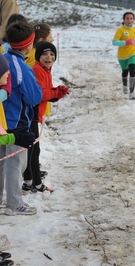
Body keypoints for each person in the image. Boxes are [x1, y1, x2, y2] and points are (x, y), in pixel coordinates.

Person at [1, 21, 42, 215]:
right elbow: (34, 97)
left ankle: (3, 200)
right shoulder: (23, 68)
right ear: (29, 45)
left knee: (1, 162)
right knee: (16, 164)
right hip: (17, 123)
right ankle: (14, 204)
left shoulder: (2, 59)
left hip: (1, 122)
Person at [21, 41, 68, 194]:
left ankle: (27, 182)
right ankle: (36, 184)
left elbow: (46, 92)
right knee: (34, 150)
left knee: (31, 149)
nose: (49, 57)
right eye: (45, 54)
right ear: (38, 56)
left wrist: (56, 93)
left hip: (36, 114)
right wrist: (55, 93)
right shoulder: (37, 70)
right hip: (32, 115)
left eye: (52, 55)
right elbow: (41, 93)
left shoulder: (46, 70)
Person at [112, 11, 135, 100]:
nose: (129, 20)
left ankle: (132, 92)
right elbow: (114, 42)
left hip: (132, 53)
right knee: (125, 72)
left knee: (132, 70)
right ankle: (125, 84)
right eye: (127, 18)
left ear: (133, 20)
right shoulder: (120, 30)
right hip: (122, 55)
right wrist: (125, 42)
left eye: (131, 18)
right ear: (124, 20)